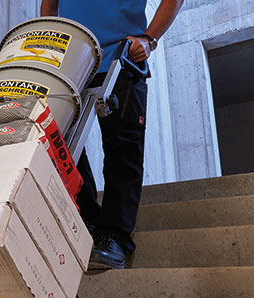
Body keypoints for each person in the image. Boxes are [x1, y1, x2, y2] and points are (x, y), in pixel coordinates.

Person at [40, 0, 184, 270]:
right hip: (73, 64)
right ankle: (89, 222)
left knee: (123, 151)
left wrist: (149, 39)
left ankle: (115, 237)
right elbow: (49, 6)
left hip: (123, 58)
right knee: (63, 147)